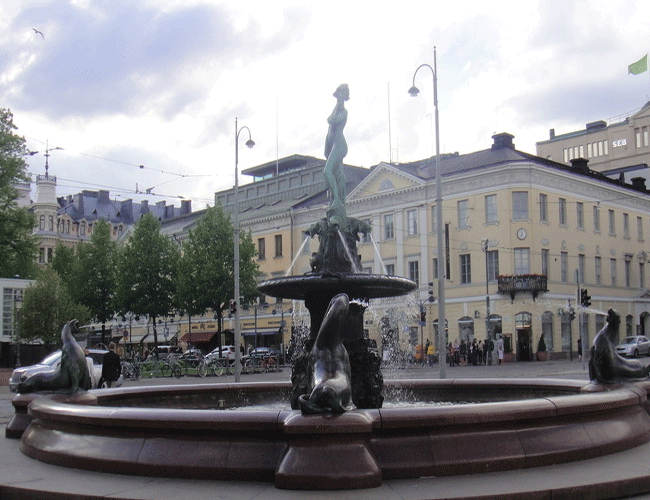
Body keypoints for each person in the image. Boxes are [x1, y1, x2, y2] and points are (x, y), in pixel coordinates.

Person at [324, 83, 350, 228]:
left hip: (340, 145)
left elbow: (332, 120)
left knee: (327, 171)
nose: (338, 98)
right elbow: (329, 130)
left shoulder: (344, 112)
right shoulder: (336, 110)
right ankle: (337, 200)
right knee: (337, 175)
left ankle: (337, 201)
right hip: (333, 146)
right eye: (338, 95)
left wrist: (339, 105)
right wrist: (326, 148)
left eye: (341, 95)